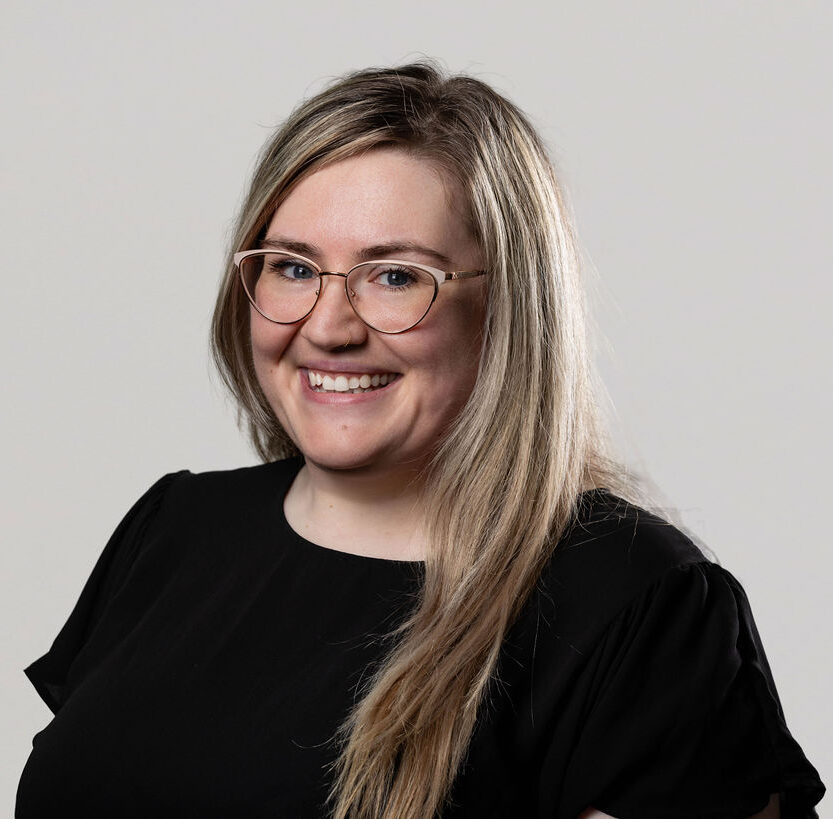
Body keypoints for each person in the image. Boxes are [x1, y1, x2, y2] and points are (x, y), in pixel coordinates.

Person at [16, 62, 825, 819]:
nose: (328, 327)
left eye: (396, 275)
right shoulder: (175, 527)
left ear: (509, 308)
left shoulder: (635, 603)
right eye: (292, 267)